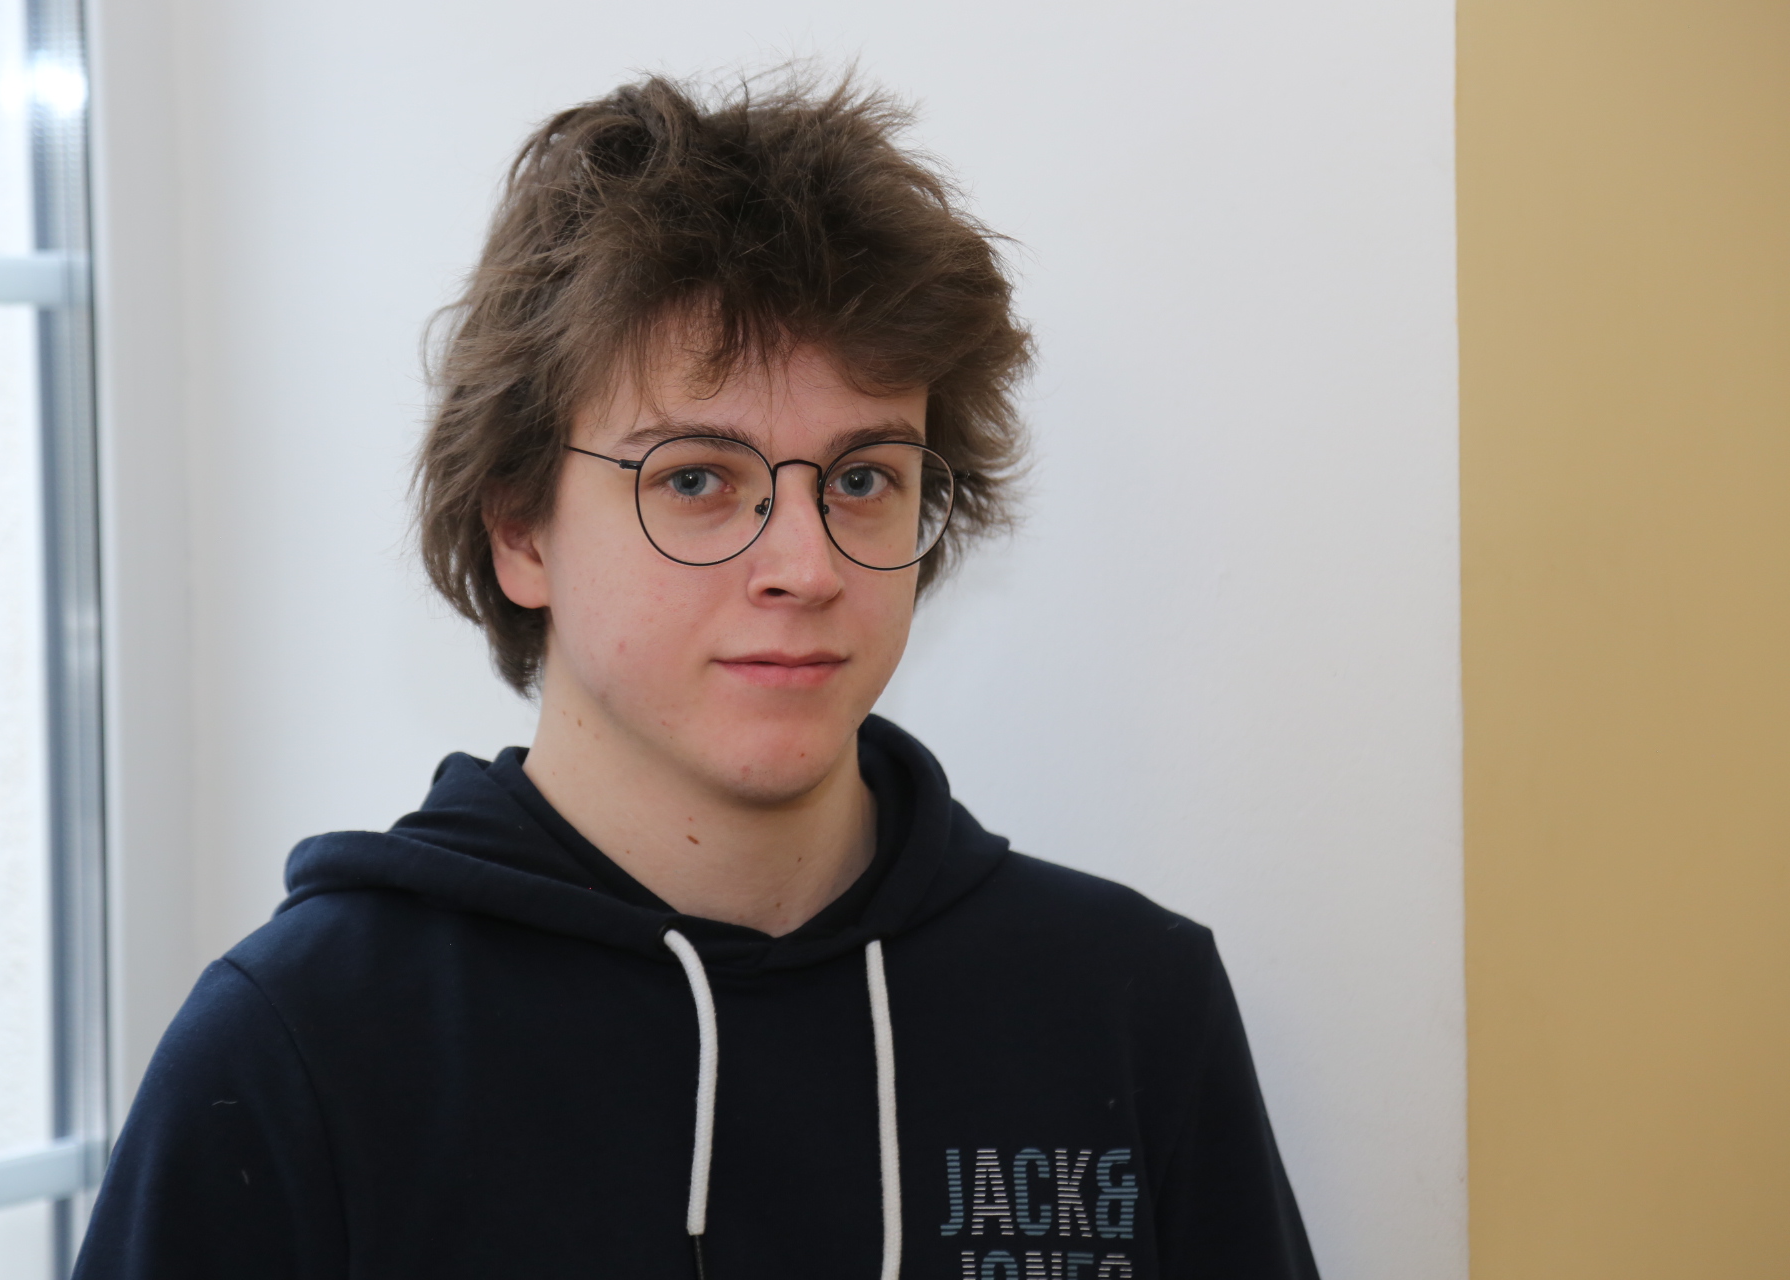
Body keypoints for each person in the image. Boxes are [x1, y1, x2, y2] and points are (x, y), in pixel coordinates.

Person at [73, 72, 1318, 1280]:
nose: (805, 564)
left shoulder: (1127, 1007)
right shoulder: (299, 1050)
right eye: (696, 478)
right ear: (520, 529)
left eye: (863, 478)